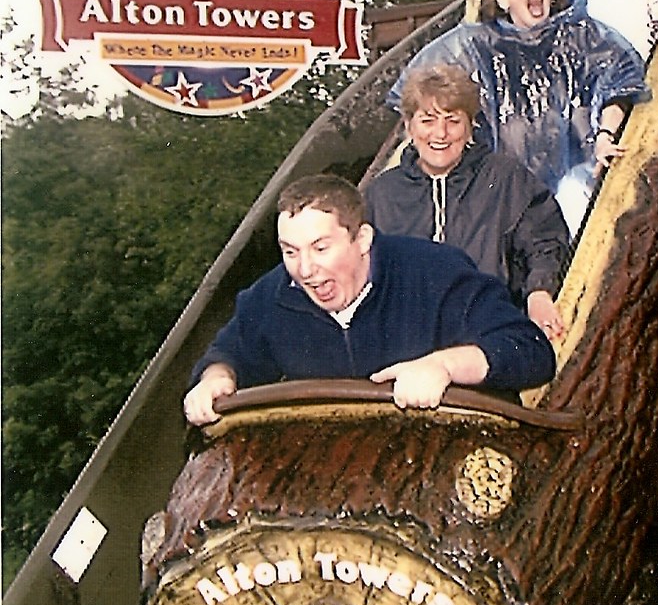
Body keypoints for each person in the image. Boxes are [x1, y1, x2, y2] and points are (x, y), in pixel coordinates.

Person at [183, 174, 555, 424]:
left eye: (321, 247)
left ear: (361, 240)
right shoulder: (269, 299)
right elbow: (229, 355)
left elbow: (532, 351)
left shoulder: (435, 272)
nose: (306, 269)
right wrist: (215, 379)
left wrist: (444, 366)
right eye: (290, 252)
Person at [386, 0, 650, 231]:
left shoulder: (581, 36)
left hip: (574, 186)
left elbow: (618, 80)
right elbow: (418, 94)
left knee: (573, 199)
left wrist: (606, 135)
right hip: (496, 195)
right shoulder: (472, 46)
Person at [364, 64, 569, 340]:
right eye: (428, 120)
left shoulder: (506, 177)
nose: (440, 134)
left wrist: (539, 293)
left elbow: (545, 240)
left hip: (490, 335)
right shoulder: (381, 194)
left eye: (453, 120)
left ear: (470, 125)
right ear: (408, 126)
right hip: (406, 342)